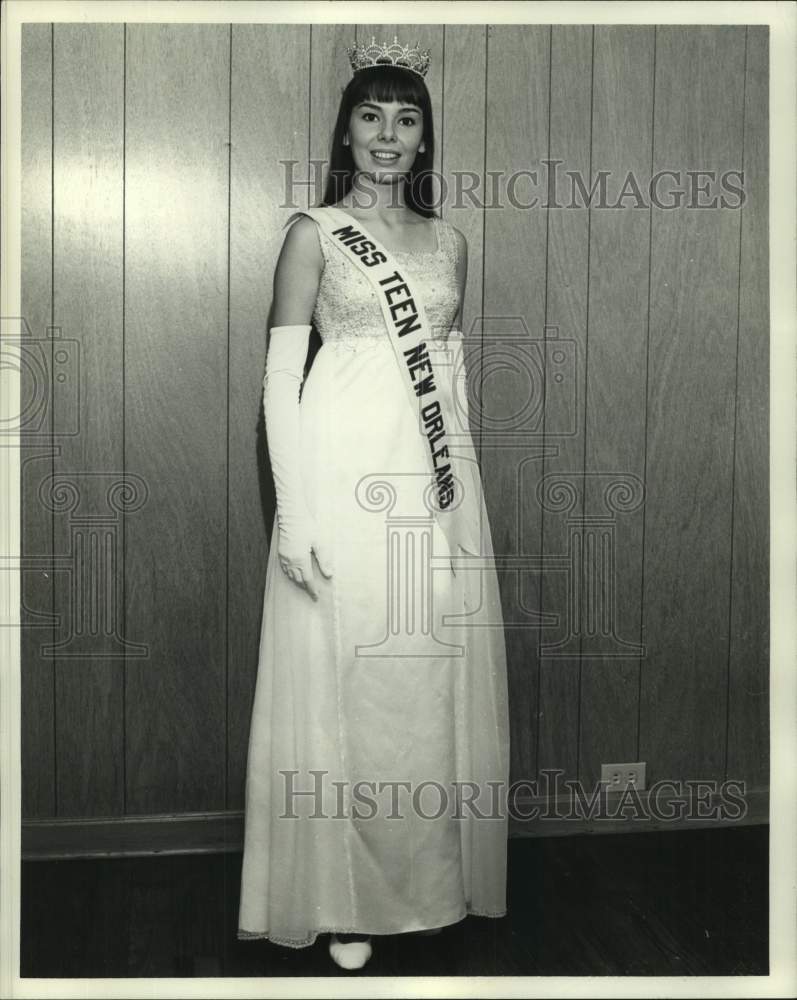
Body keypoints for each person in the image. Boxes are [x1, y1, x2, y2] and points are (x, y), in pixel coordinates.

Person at [237, 35, 510, 972]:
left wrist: (459, 492)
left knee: (422, 683)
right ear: (344, 130)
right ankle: (342, 899)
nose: (388, 136)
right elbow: (279, 381)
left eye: (407, 119)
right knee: (346, 682)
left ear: (425, 137)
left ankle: (429, 883)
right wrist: (296, 514)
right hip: (338, 475)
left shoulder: (451, 242)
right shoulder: (312, 233)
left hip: (433, 485)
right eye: (370, 116)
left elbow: (450, 375)